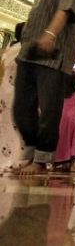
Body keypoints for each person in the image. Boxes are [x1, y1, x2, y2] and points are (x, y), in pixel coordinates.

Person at [13, 0, 75, 175]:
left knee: (49, 108)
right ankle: (32, 152)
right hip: (30, 52)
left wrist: (50, 34)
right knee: (22, 107)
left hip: (53, 53)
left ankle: (42, 159)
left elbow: (66, 9)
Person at [0, 22, 26, 171]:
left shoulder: (10, 48)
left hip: (5, 91)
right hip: (19, 90)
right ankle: (17, 158)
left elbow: (4, 66)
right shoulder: (25, 49)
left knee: (5, 124)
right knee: (18, 124)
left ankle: (4, 156)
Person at [54, 72, 75, 171]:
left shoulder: (60, 92)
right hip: (73, 118)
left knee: (60, 138)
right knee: (73, 139)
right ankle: (72, 165)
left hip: (61, 116)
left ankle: (56, 164)